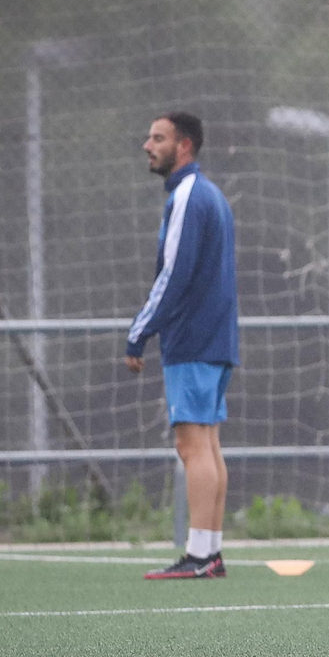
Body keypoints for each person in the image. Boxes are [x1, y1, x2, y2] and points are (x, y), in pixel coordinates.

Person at [126, 111, 240, 580]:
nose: (147, 145)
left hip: (193, 338)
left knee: (192, 444)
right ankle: (209, 552)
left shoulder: (189, 196)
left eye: (158, 138)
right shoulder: (208, 194)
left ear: (184, 146)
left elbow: (173, 274)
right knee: (207, 443)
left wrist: (140, 330)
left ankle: (198, 556)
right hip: (214, 336)